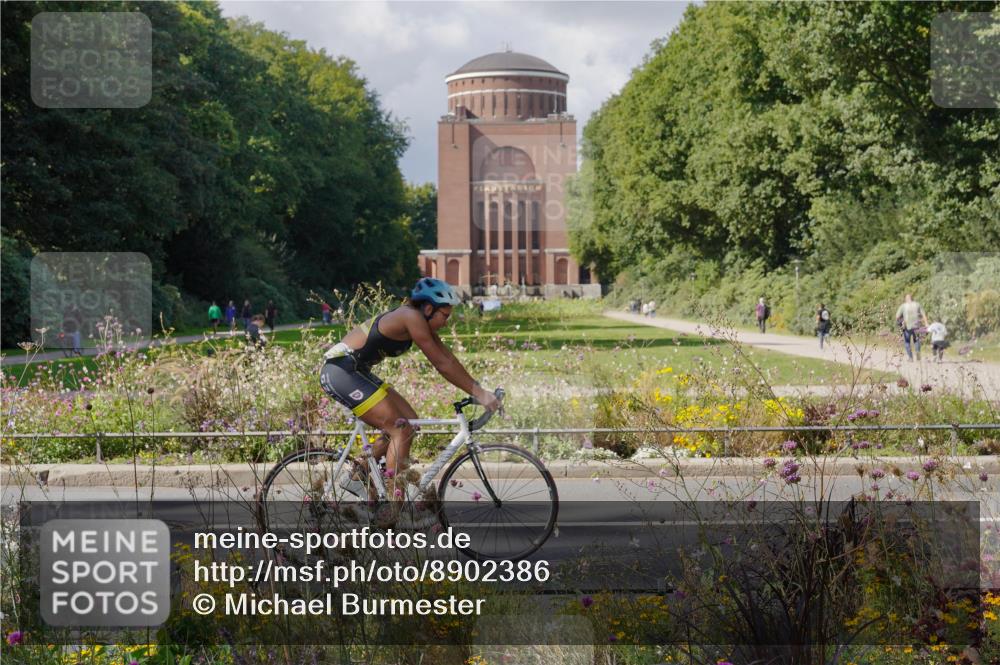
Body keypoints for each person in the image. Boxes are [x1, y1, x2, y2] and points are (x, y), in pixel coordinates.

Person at [319, 277, 500, 499]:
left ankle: (358, 475)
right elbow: (441, 364)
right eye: (445, 315)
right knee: (401, 429)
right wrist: (479, 394)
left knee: (410, 422)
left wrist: (479, 390)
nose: (446, 322)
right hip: (341, 372)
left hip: (355, 371)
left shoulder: (418, 320)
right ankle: (396, 505)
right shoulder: (411, 317)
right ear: (429, 309)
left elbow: (448, 358)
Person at [894, 294, 929, 361]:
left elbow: (897, 316)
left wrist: (901, 323)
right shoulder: (917, 304)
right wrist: (926, 323)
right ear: (912, 298)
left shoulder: (903, 306)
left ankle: (910, 358)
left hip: (907, 327)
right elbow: (923, 314)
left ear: (906, 299)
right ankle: (918, 356)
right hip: (917, 326)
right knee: (917, 340)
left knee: (907, 342)